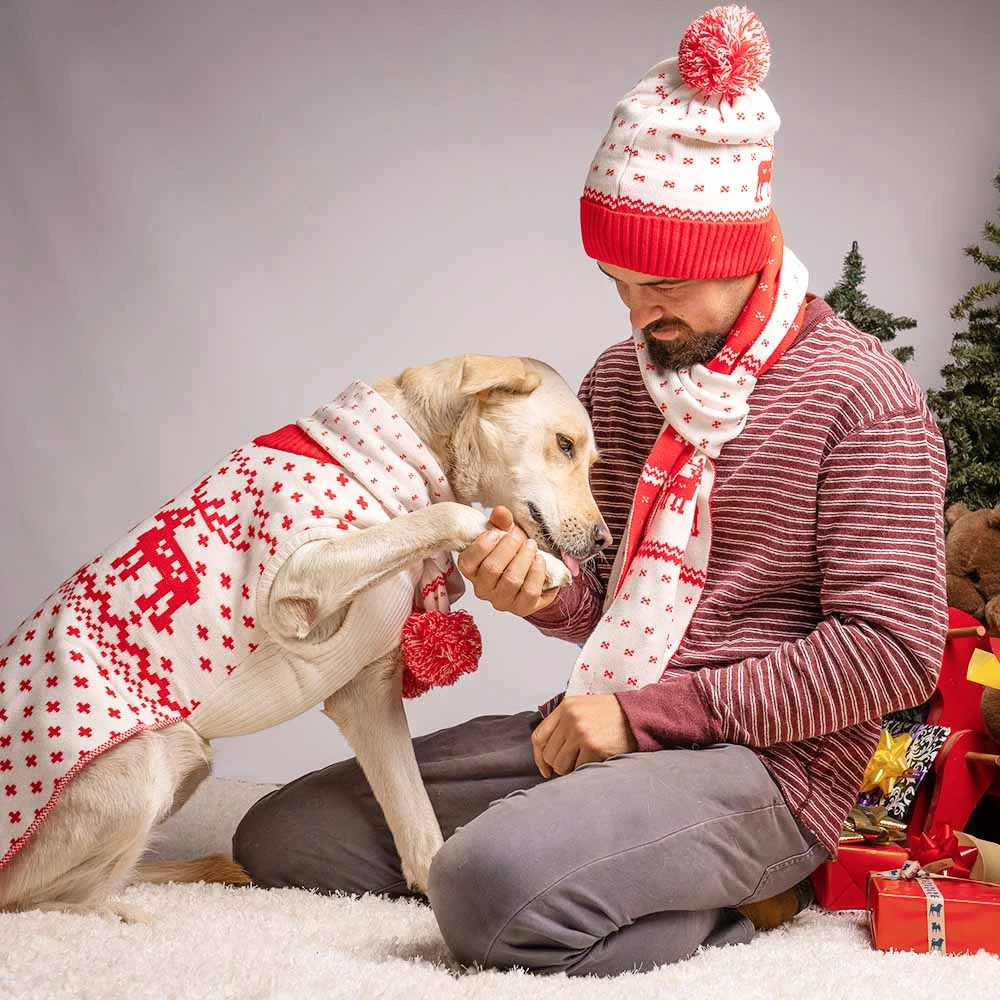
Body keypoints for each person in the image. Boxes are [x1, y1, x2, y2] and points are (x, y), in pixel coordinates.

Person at [233, 5, 948, 976]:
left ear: (739, 246)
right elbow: (607, 588)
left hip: (770, 771)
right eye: (616, 281)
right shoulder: (625, 379)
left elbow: (893, 654)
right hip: (607, 719)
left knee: (479, 883)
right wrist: (540, 589)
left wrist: (650, 718)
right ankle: (606, 858)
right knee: (285, 834)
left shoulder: (862, 398)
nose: (635, 312)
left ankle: (738, 896)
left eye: (659, 284)